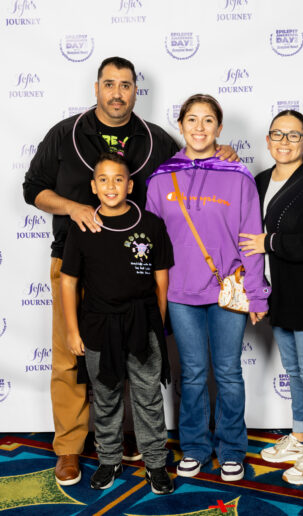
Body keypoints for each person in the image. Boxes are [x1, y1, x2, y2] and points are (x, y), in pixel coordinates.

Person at [22, 56, 238, 485]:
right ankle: (68, 447)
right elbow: (33, 190)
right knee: (71, 355)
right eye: (109, 84)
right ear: (96, 88)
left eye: (125, 85)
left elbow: (193, 163)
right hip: (73, 259)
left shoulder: (155, 139)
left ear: (136, 91)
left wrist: (222, 153)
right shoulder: (64, 133)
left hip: (135, 266)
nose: (117, 93)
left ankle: (128, 438)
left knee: (135, 355)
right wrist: (74, 208)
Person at [146, 94, 270, 482]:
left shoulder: (239, 176)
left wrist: (257, 293)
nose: (199, 128)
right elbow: (150, 243)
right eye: (192, 120)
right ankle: (196, 448)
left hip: (226, 290)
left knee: (229, 372)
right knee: (194, 374)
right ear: (180, 125)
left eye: (208, 121)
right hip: (180, 294)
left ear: (219, 127)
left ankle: (231, 449)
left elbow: (251, 239)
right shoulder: (160, 178)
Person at [239, 110, 303, 485]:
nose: (284, 142)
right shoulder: (260, 180)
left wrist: (269, 242)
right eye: (278, 134)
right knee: (295, 370)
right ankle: (300, 438)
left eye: (294, 135)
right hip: (280, 290)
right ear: (268, 140)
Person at [60, 152, 174, 493]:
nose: (111, 186)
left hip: (142, 323)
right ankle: (109, 459)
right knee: (106, 396)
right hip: (98, 325)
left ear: (130, 185)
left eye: (119, 179)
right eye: (104, 179)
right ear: (94, 187)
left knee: (148, 396)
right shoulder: (82, 227)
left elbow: (161, 279)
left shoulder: (151, 224)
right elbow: (68, 282)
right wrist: (72, 330)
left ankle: (155, 462)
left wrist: (157, 324)